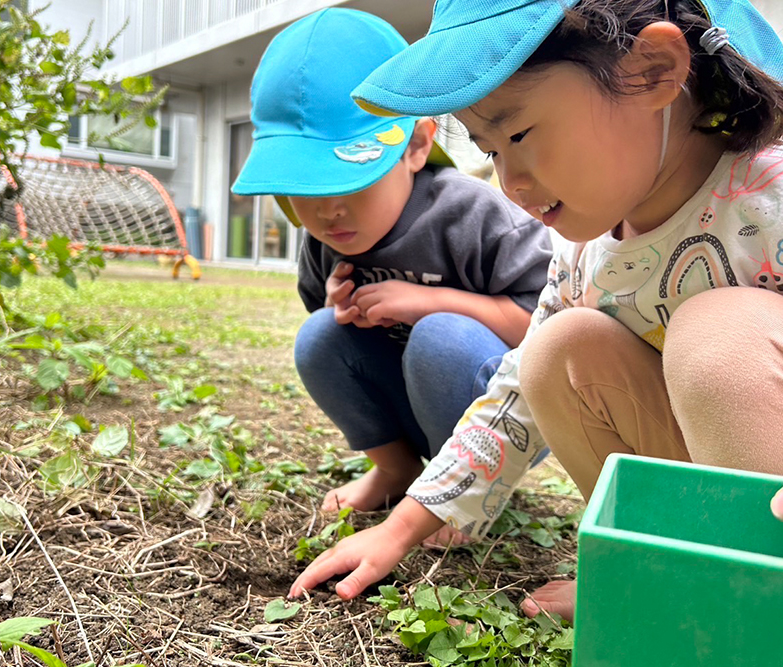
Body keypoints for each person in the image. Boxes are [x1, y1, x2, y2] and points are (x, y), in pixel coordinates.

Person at [290, 1, 783, 665]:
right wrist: (405, 526)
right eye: (490, 151)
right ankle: (661, 575)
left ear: (653, 72)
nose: (510, 182)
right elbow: (514, 396)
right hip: (733, 508)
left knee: (719, 336)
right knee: (558, 351)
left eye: (519, 134)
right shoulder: (586, 248)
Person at [232, 8, 553, 516]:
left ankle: (462, 488)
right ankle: (396, 467)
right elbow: (340, 347)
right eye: (304, 187)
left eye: (349, 180)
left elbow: (545, 341)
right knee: (318, 335)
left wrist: (429, 302)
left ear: (417, 146)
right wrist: (340, 310)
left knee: (440, 334)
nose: (326, 210)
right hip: (411, 402)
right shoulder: (327, 239)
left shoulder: (475, 217)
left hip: (501, 413)